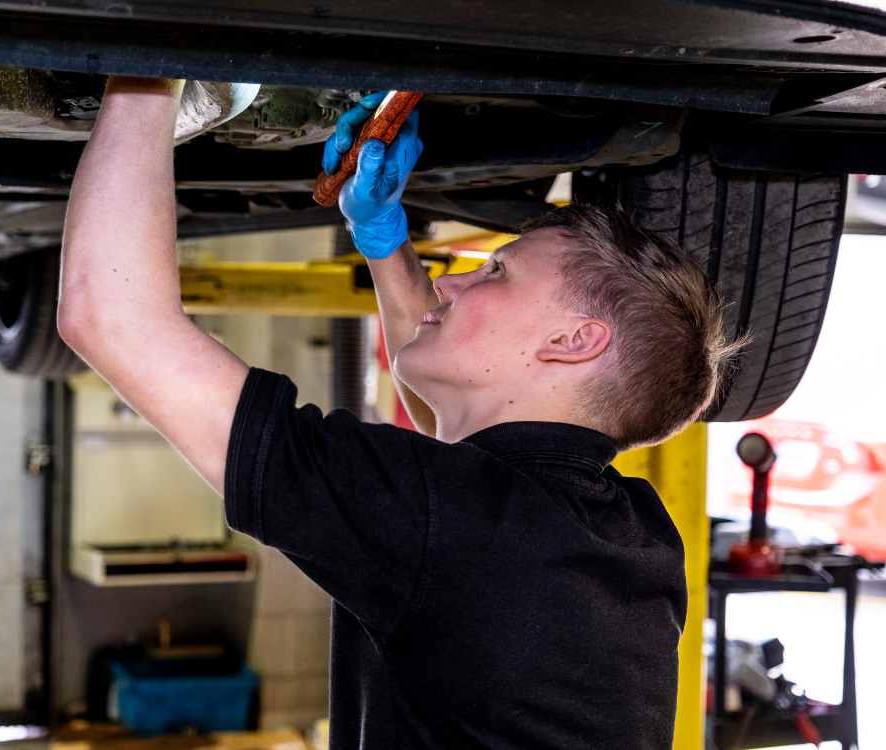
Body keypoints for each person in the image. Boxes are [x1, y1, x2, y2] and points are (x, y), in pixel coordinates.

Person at [58, 77, 741, 749]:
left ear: (572, 342)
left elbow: (110, 314)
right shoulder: (617, 535)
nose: (451, 278)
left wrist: (150, 67)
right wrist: (384, 243)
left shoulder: (556, 529)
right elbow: (467, 450)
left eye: (496, 272)